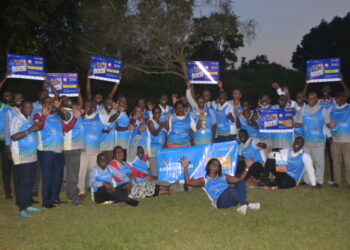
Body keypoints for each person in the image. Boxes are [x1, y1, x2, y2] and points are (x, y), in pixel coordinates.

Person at [180, 157, 260, 215]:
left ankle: (244, 205)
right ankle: (246, 204)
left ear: (219, 168)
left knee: (240, 183)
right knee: (230, 190)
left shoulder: (224, 176)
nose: (215, 165)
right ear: (208, 166)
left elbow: (240, 180)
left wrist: (247, 168)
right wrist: (185, 167)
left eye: (217, 165)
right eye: (213, 164)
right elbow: (188, 182)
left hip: (232, 200)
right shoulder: (204, 180)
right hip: (220, 202)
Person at [34, 97, 69, 208]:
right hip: (46, 151)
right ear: (43, 105)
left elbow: (66, 122)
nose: (50, 104)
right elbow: (38, 127)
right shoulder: (38, 115)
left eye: (52, 102)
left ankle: (55, 198)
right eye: (47, 102)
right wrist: (44, 116)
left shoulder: (58, 115)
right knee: (48, 176)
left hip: (59, 150)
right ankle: (46, 201)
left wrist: (58, 109)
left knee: (58, 176)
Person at [10, 101, 42, 218]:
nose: (29, 109)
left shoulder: (29, 119)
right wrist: (30, 130)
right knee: (23, 183)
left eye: (31, 107)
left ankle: (28, 204)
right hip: (22, 157)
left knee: (29, 182)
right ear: (21, 107)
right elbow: (13, 137)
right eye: (27, 107)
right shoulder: (16, 120)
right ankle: (22, 208)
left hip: (32, 156)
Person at [109, 146, 176, 198]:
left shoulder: (125, 163)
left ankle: (168, 188)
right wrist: (126, 176)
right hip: (124, 187)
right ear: (114, 155)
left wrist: (145, 175)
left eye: (121, 152)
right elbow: (113, 176)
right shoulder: (113, 163)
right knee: (144, 190)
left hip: (132, 183)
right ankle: (168, 191)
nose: (120, 153)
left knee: (147, 184)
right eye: (118, 152)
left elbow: (135, 172)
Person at [294, 92, 331, 187]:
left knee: (319, 162)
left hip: (318, 141)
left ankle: (319, 181)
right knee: (306, 161)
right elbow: (299, 123)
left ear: (317, 99)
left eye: (313, 98)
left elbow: (328, 123)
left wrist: (331, 126)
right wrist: (289, 124)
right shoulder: (304, 109)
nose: (310, 100)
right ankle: (306, 180)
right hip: (306, 141)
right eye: (309, 99)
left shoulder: (323, 110)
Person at [61, 95, 84, 205]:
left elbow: (81, 105)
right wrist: (75, 117)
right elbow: (66, 128)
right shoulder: (65, 113)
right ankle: (74, 196)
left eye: (69, 99)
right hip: (70, 147)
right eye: (65, 100)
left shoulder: (73, 112)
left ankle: (71, 194)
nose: (68, 100)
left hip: (76, 147)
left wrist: (79, 93)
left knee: (73, 172)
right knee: (73, 174)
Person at [78, 100, 103, 199]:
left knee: (93, 171)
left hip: (95, 150)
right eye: (86, 105)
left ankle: (94, 189)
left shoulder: (98, 118)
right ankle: (81, 191)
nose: (87, 107)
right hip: (83, 150)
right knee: (81, 171)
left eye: (89, 105)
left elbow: (102, 132)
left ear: (93, 108)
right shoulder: (80, 118)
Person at [329, 91, 350, 187]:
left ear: (345, 99)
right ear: (335, 99)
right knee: (336, 162)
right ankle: (337, 182)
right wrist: (329, 135)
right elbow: (327, 125)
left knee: (348, 162)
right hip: (335, 140)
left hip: (348, 140)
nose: (341, 99)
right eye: (338, 98)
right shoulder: (331, 110)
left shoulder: (349, 107)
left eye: (343, 98)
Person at [147, 106, 166, 176]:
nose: (157, 113)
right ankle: (155, 185)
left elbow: (165, 133)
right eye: (155, 112)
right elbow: (154, 133)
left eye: (158, 112)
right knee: (154, 169)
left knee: (161, 166)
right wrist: (161, 126)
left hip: (162, 147)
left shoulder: (161, 120)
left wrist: (165, 144)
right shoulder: (150, 122)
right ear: (152, 113)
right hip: (153, 148)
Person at [99, 97, 120, 162]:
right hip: (102, 146)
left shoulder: (113, 111)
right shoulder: (101, 113)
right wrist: (119, 111)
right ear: (104, 104)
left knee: (109, 167)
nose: (109, 105)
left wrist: (117, 108)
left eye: (111, 103)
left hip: (111, 146)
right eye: (108, 103)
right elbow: (111, 119)